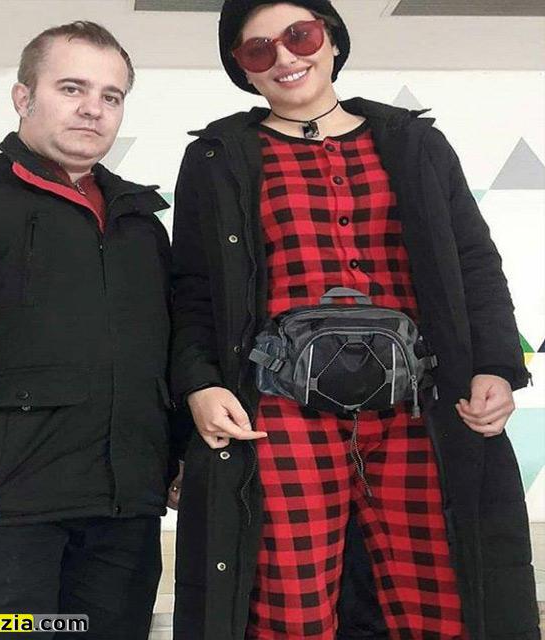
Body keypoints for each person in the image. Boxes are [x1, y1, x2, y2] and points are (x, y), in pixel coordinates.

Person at [170, 1, 539, 639]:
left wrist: (497, 367)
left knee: (442, 597)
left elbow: (473, 262)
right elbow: (194, 288)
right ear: (243, 69)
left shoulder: (415, 144)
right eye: (259, 49)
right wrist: (200, 382)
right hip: (280, 411)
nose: (285, 57)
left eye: (300, 35)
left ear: (333, 41)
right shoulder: (217, 156)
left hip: (418, 407)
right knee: (289, 606)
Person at [0, 21, 177, 640]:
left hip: (126, 509)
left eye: (111, 96)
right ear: (23, 97)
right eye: (72, 88)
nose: (93, 108)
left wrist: (179, 455)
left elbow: (163, 348)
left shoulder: (141, 221)